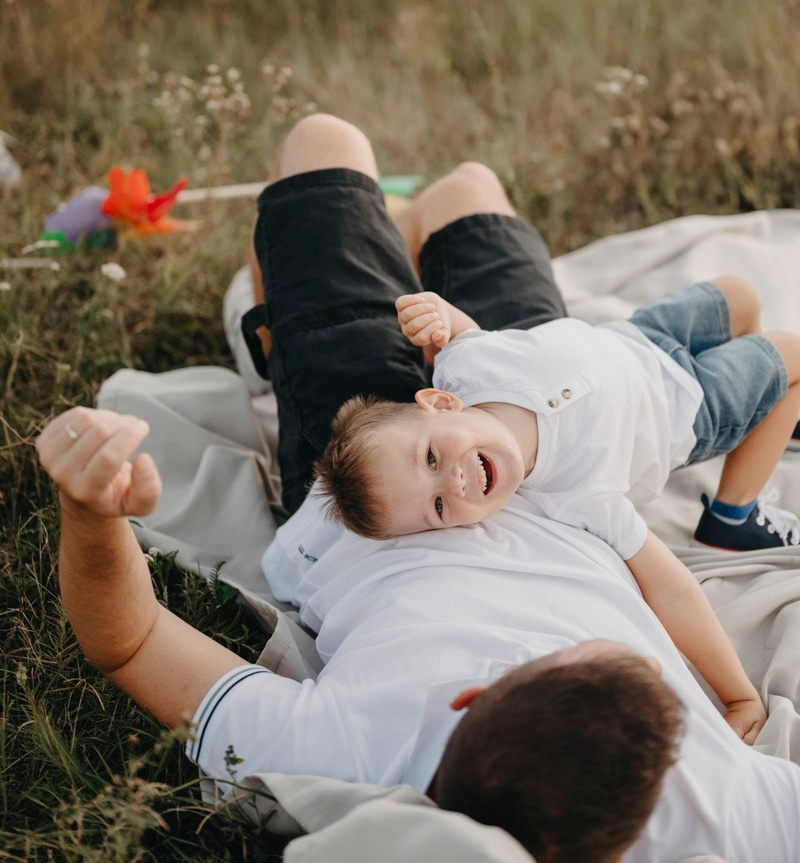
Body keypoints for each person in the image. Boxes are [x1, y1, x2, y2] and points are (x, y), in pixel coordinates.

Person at [36, 115, 800, 862]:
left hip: (363, 471)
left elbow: (130, 641)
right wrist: (736, 698)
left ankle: (281, 330)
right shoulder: (716, 804)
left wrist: (90, 513)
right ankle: (403, 256)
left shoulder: (349, 744)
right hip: (537, 432)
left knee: (325, 143)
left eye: (569, 650)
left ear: (465, 700)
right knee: (469, 188)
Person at [320, 282, 800, 554]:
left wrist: (435, 313)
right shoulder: (570, 494)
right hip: (693, 408)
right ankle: (732, 515)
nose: (457, 483)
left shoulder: (461, 372)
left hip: (638, 338)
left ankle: (767, 416)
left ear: (441, 404)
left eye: (430, 458)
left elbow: (463, 332)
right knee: (793, 357)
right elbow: (668, 586)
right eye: (441, 508)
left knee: (741, 296)